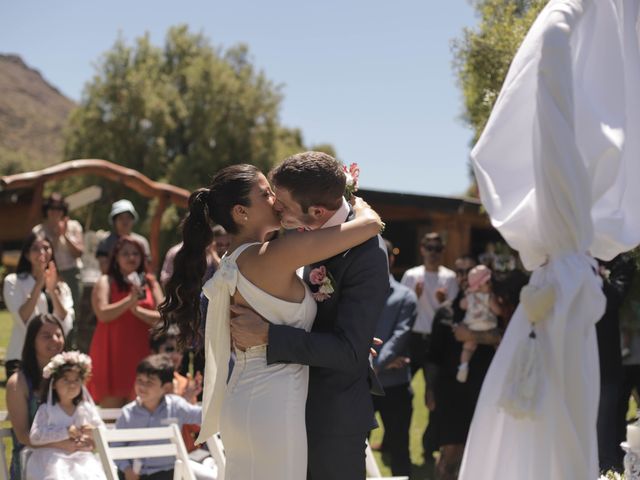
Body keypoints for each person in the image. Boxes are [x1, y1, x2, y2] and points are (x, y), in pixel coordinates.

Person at [160, 154, 386, 480]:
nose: (276, 203)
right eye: (266, 195)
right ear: (241, 212)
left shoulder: (238, 257)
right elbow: (370, 225)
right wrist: (360, 204)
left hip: (250, 398)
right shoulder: (277, 253)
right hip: (273, 403)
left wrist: (354, 337)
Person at [400, 232, 458, 462]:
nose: (433, 253)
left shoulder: (450, 277)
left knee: (434, 398)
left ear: (442, 251)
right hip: (414, 339)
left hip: (437, 342)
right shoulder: (411, 275)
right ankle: (393, 443)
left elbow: (452, 313)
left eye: (437, 248)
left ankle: (429, 446)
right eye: (429, 247)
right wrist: (415, 296)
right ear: (422, 249)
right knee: (401, 394)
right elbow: (401, 307)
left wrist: (444, 301)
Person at [88, 236, 164, 407]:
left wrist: (137, 310)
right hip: (111, 350)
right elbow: (102, 314)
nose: (131, 258)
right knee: (111, 411)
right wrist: (129, 301)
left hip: (141, 350)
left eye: (135, 253)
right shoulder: (105, 281)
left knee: (141, 408)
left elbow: (162, 316)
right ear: (116, 257)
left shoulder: (150, 282)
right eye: (125, 254)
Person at [114, 354, 213, 480]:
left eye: (149, 382)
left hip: (167, 473)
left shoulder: (176, 407)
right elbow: (115, 446)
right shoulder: (127, 413)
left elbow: (203, 416)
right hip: (133, 474)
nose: (142, 387)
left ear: (166, 387)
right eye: (139, 380)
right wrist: (126, 469)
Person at [370, 239, 416, 477]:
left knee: (399, 449)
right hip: (362, 386)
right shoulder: (359, 292)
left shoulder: (405, 297)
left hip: (394, 387)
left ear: (391, 260)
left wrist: (370, 366)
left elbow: (399, 338)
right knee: (354, 448)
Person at [3, 232, 74, 379]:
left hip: (54, 358)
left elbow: (66, 322)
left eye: (46, 248)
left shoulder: (61, 286)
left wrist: (52, 291)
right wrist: (39, 284)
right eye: (35, 249)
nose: (42, 253)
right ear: (27, 254)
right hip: (21, 356)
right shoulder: (13, 282)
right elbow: (21, 317)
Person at [27, 351, 106, 480]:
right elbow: (35, 436)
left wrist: (92, 432)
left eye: (76, 380)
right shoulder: (47, 409)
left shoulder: (85, 409)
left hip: (82, 459)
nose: (72, 385)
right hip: (53, 458)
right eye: (66, 380)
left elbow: (103, 432)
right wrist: (65, 432)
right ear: (53, 385)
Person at [6, 314, 66, 480]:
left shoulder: (70, 380)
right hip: (31, 461)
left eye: (59, 335)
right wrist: (63, 443)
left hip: (66, 459)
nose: (55, 340)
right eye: (46, 336)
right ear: (32, 341)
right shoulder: (18, 384)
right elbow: (23, 436)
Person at [32, 193, 85, 339]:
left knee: (72, 313)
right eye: (52, 208)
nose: (55, 212)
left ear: (64, 210)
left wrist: (64, 235)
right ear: (46, 210)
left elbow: (78, 253)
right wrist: (54, 237)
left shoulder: (74, 226)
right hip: (49, 274)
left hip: (71, 275)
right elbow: (42, 256)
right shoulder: (39, 231)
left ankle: (70, 346)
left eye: (59, 208)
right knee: (48, 311)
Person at [457, 265, 500, 383]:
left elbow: (462, 305)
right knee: (498, 344)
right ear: (480, 285)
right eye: (488, 282)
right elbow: (498, 311)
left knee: (468, 347)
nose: (490, 284)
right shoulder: (489, 297)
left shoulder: (470, 296)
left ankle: (463, 365)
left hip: (472, 326)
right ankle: (500, 363)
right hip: (488, 325)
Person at [96, 199, 151, 274]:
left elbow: (147, 268)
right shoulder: (105, 241)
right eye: (121, 218)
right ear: (114, 221)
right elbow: (104, 268)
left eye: (128, 217)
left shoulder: (142, 241)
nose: (125, 221)